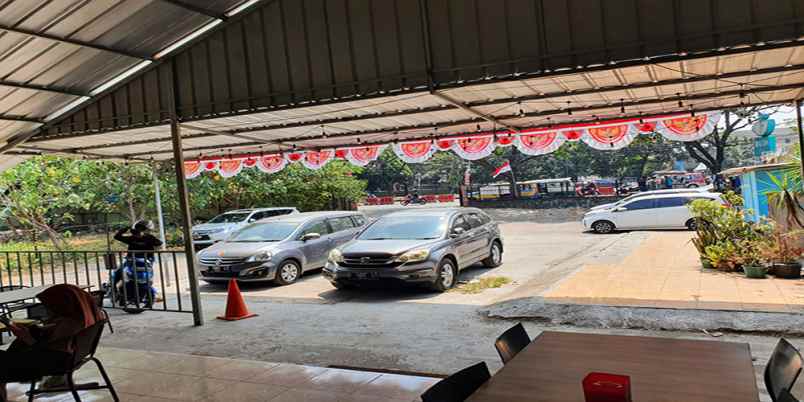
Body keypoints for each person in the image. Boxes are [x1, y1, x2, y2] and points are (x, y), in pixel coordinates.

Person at [0, 284, 104, 401]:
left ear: (62, 305)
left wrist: (26, 337)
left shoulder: (69, 324)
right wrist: (41, 329)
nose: (48, 310)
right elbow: (56, 337)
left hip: (54, 362)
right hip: (67, 358)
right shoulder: (83, 317)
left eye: (50, 306)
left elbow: (41, 348)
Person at [112, 220, 162, 304]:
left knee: (146, 278)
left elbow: (159, 244)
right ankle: (115, 291)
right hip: (133, 261)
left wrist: (151, 252)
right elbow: (117, 237)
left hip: (144, 262)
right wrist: (125, 229)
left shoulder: (148, 238)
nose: (139, 232)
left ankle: (149, 294)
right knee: (119, 273)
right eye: (137, 230)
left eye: (141, 230)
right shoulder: (133, 238)